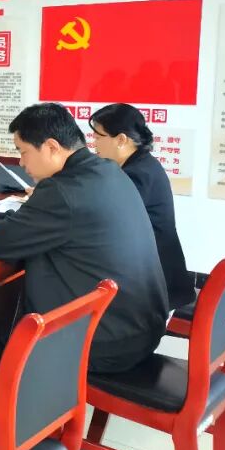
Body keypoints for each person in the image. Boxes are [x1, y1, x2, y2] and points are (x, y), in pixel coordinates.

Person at [0, 103, 168, 373]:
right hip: (139, 327)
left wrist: (3, 224)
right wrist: (4, 219)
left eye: (23, 151)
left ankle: (10, 399)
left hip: (106, 342)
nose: (22, 162)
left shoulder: (61, 190)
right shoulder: (108, 170)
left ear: (51, 147)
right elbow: (53, 223)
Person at [90, 103, 195, 310]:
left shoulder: (138, 174)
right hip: (150, 276)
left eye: (98, 137)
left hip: (156, 286)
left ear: (121, 139)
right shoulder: (140, 165)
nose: (94, 144)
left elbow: (107, 219)